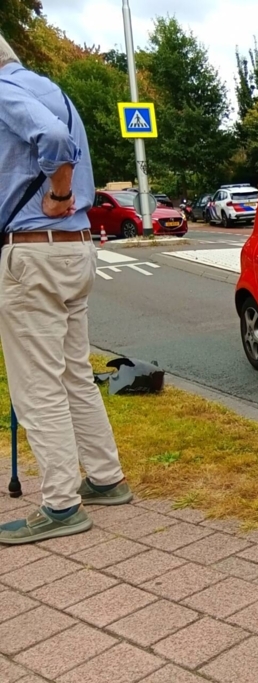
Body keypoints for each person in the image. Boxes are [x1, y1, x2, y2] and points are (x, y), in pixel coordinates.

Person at [0, 33, 132, 545]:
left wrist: (56, 193)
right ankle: (104, 477)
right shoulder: (48, 88)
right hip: (74, 247)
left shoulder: (5, 93)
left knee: (39, 386)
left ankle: (60, 505)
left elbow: (53, 140)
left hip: (36, 250)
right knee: (75, 372)